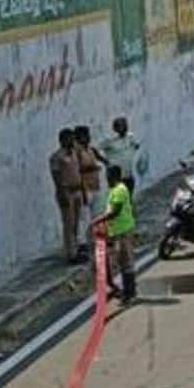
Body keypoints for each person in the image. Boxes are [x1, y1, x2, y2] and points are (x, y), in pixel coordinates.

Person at [91, 165, 137, 303]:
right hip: (117, 231)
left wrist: (98, 220)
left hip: (123, 231)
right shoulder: (115, 190)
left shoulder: (119, 190)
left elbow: (114, 212)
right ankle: (121, 289)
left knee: (125, 262)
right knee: (118, 261)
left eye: (108, 175)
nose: (106, 178)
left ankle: (129, 292)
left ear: (114, 176)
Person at [50, 129, 86, 263]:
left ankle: (76, 249)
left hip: (77, 190)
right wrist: (61, 193)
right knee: (68, 223)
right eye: (69, 139)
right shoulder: (57, 157)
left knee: (76, 222)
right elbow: (56, 177)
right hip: (66, 192)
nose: (72, 141)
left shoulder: (75, 154)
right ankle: (71, 253)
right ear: (62, 140)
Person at [95, 117, 145, 194]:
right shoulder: (109, 140)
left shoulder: (130, 137)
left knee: (128, 198)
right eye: (121, 126)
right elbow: (95, 150)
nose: (124, 128)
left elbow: (135, 146)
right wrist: (105, 161)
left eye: (125, 125)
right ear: (115, 128)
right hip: (115, 176)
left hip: (128, 174)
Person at [72, 126, 104, 219]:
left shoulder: (90, 149)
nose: (88, 137)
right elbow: (76, 170)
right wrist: (92, 168)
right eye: (85, 135)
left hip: (95, 186)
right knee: (85, 219)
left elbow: (99, 157)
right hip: (84, 189)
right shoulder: (76, 151)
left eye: (88, 135)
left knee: (98, 216)